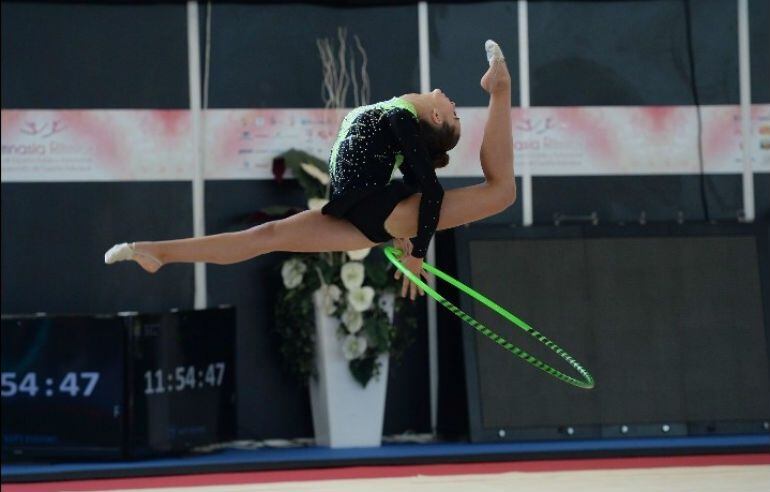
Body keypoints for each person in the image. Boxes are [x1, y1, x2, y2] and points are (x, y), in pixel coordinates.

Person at [105, 40, 516, 302]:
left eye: (456, 115)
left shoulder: (403, 117)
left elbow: (429, 188)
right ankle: (157, 251)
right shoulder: (398, 114)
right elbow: (413, 180)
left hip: (375, 210)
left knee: (501, 192)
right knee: (264, 237)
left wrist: (418, 252)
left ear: (438, 115)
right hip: (354, 212)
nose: (451, 101)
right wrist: (408, 239)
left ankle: (500, 89)